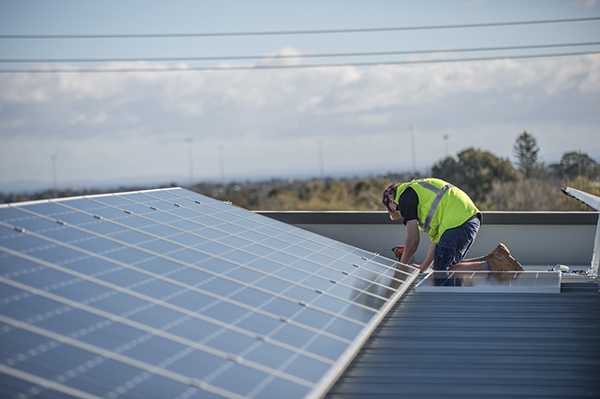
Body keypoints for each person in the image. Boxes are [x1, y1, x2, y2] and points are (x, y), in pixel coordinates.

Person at [382, 178, 523, 273]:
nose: (399, 213)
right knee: (445, 264)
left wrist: (401, 269)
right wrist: (422, 268)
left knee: (442, 272)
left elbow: (412, 240)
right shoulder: (419, 193)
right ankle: (493, 257)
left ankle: (497, 263)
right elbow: (436, 243)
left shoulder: (405, 196)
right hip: (466, 219)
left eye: (394, 209)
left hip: (458, 222)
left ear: (390, 197)